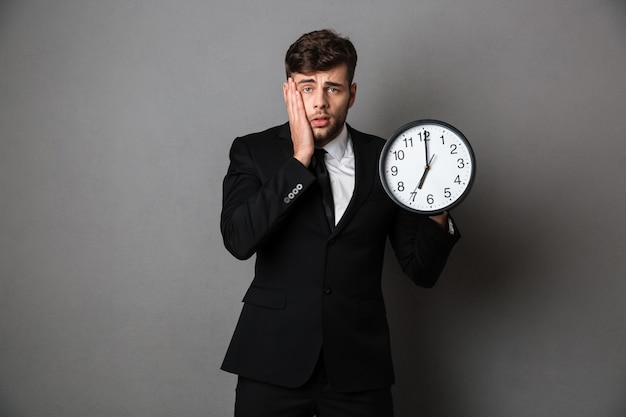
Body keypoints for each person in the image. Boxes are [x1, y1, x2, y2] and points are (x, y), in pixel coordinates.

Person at [220, 29, 460, 417]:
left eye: (332, 88)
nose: (319, 102)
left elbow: (421, 270)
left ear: (352, 93)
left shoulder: (390, 159)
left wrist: (437, 206)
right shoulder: (253, 151)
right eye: (306, 88)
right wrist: (300, 159)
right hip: (270, 360)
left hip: (358, 368)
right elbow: (239, 240)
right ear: (288, 91)